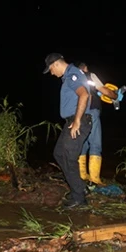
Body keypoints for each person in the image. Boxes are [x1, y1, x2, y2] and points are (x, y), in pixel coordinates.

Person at [44, 53, 92, 208]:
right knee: (59, 153)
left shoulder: (72, 74)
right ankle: (79, 188)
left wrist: (77, 121)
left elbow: (84, 94)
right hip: (71, 121)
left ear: (56, 64)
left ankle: (79, 199)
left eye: (51, 69)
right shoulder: (70, 75)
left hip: (78, 121)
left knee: (69, 158)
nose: (52, 73)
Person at [76, 62, 118, 186]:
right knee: (95, 143)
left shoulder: (71, 78)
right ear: (84, 68)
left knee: (82, 142)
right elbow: (104, 90)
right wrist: (115, 96)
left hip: (77, 113)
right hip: (91, 111)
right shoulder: (90, 75)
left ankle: (82, 175)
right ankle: (94, 179)